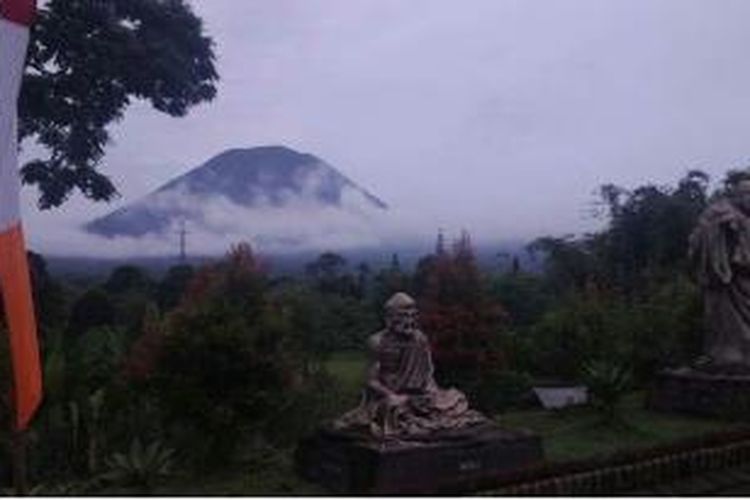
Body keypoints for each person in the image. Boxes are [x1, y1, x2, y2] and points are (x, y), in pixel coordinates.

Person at [334, 292, 487, 440]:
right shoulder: (377, 342)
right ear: (390, 318)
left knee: (457, 397)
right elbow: (370, 380)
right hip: (390, 396)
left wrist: (431, 394)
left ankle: (423, 409)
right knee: (392, 409)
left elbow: (427, 375)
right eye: (403, 316)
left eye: (412, 315)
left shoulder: (419, 339)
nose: (409, 321)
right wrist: (391, 395)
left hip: (418, 395)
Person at [689, 176, 750, 367]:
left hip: (746, 278)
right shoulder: (718, 211)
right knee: (724, 322)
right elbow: (697, 240)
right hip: (727, 282)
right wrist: (721, 231)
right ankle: (727, 353)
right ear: (738, 195)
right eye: (748, 194)